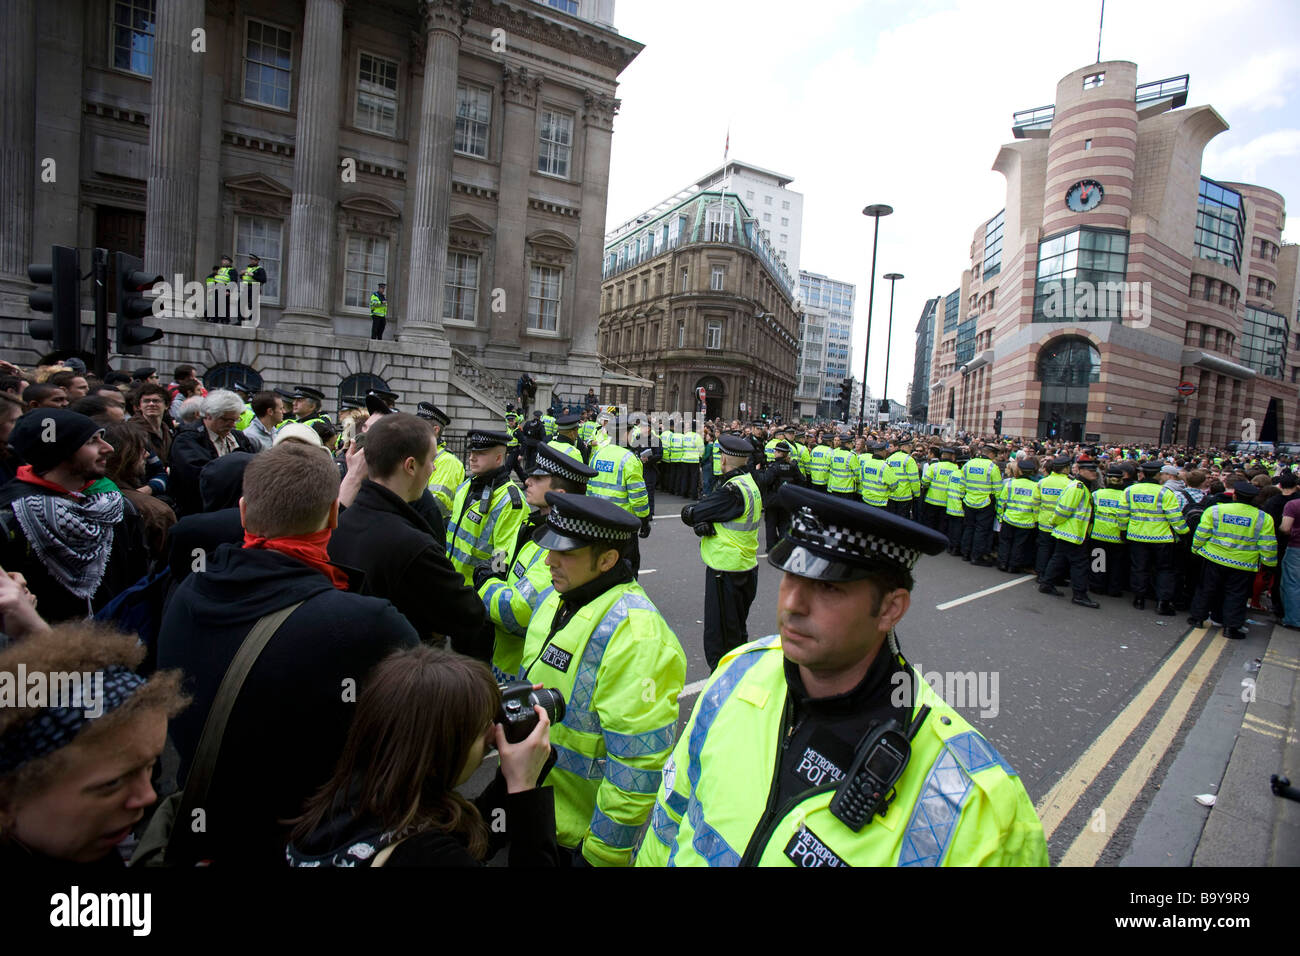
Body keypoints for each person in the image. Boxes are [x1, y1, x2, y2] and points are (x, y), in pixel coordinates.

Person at [637, 484, 1048, 867]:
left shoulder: (978, 806)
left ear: (890, 609)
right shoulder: (738, 671)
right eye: (791, 577)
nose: (793, 604)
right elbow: (671, 816)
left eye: (828, 589)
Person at [156, 443, 420, 865]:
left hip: (206, 829)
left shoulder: (189, 590)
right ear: (334, 516)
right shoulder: (361, 623)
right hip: (307, 843)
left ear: (243, 511)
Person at [518, 493, 686, 866]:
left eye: (566, 553)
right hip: (530, 806)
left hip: (575, 839)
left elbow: (637, 770)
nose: (549, 560)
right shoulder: (558, 597)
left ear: (608, 560)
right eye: (550, 549)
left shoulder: (639, 639)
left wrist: (601, 855)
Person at [287, 646, 557, 866]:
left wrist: (513, 775)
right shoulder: (426, 855)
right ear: (438, 754)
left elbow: (474, 836)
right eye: (479, 730)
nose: (492, 732)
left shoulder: (352, 800)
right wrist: (524, 789)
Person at [0, 623, 189, 866]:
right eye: (112, 783)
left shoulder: (84, 847)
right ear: (7, 797)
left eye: (149, 766)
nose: (148, 796)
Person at [329, 413, 491, 656]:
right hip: (397, 671)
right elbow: (469, 613)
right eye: (431, 460)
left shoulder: (341, 523)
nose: (434, 468)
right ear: (411, 466)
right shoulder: (413, 546)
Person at [0, 410, 149, 622]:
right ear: (58, 451)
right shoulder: (10, 517)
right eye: (92, 441)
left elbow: (136, 580)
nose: (108, 448)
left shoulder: (116, 508)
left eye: (102, 438)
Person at [477, 442, 596, 680]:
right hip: (502, 657)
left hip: (523, 671)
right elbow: (503, 560)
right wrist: (494, 571)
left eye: (538, 479)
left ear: (558, 495)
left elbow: (517, 610)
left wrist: (486, 582)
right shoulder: (532, 525)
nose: (527, 481)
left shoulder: (558, 547)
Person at [682, 433, 763, 670]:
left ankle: (723, 687)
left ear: (724, 460)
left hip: (725, 570)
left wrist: (700, 520)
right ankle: (737, 679)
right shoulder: (749, 483)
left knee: (720, 640)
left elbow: (691, 513)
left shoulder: (731, 491)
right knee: (736, 632)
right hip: (744, 567)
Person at [1187, 481, 1277, 640]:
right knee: (1236, 595)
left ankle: (1197, 618)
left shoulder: (1215, 510)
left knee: (1206, 589)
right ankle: (1230, 627)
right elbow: (1268, 544)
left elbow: (1201, 533)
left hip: (1213, 557)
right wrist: (1269, 564)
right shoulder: (1264, 518)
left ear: (1234, 495)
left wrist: (1196, 549)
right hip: (1243, 563)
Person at [445, 430, 527, 586]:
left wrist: (486, 592)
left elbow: (502, 559)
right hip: (451, 583)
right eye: (472, 451)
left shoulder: (510, 500)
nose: (472, 457)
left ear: (498, 458)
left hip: (475, 593)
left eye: (481, 453)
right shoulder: (466, 486)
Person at [168, 390, 258, 516]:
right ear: (208, 415)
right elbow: (198, 478)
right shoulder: (188, 439)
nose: (232, 425)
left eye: (235, 420)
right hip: (200, 510)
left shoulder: (238, 437)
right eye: (226, 420)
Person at [1125, 460, 1188, 615]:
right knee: (1164, 570)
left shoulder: (1130, 490)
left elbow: (1122, 514)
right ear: (1158, 475)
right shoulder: (1165, 493)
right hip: (1161, 539)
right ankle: (1162, 603)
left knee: (1139, 568)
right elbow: (1175, 517)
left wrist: (1122, 529)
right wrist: (1184, 532)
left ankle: (1139, 599)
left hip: (1137, 535)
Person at [1038, 457, 1101, 608]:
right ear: (1080, 470)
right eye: (1090, 470)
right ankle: (1079, 594)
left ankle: (1047, 583)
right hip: (1072, 532)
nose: (1094, 473)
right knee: (1079, 564)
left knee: (1058, 558)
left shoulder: (1081, 486)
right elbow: (1064, 509)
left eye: (1095, 470)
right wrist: (1054, 521)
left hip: (1069, 531)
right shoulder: (1077, 487)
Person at [585, 429, 651, 572]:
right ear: (624, 434)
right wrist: (644, 521)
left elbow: (589, 489)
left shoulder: (597, 455)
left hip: (599, 520)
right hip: (623, 524)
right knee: (627, 567)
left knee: (602, 566)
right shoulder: (629, 459)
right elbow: (638, 496)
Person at [417, 402, 465, 522]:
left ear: (435, 430)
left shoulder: (448, 461)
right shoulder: (418, 454)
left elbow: (436, 506)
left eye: (420, 427)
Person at [960, 444, 1002, 565]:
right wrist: (998, 504)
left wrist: (962, 497)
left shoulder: (968, 464)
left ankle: (965, 553)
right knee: (981, 530)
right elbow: (998, 489)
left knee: (969, 527)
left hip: (968, 501)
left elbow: (962, 484)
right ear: (990, 454)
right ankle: (976, 556)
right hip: (985, 503)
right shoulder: (992, 467)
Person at [996, 456, 1040, 573]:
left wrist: (1000, 516)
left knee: (1005, 541)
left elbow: (1001, 502)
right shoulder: (1035, 487)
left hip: (1009, 518)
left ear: (1019, 470)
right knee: (1019, 545)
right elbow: (1036, 507)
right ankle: (1013, 566)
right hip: (1026, 522)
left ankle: (1002, 563)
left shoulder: (1010, 484)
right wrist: (1036, 520)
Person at [885, 436, 921, 519]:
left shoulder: (889, 459)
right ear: (904, 447)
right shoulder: (909, 460)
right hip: (904, 497)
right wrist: (917, 494)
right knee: (902, 520)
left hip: (891, 495)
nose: (911, 448)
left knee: (891, 519)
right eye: (910, 446)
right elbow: (914, 480)